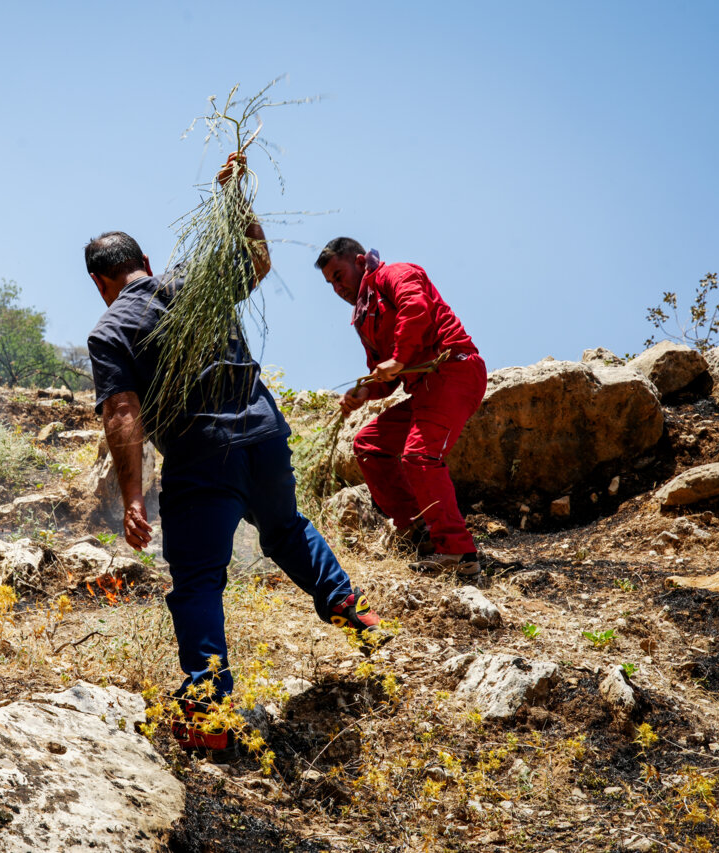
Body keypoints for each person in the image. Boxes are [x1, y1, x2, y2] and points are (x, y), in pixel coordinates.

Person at [85, 156, 378, 750]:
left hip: (202, 457)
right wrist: (237, 200)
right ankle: (351, 608)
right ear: (145, 264)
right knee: (285, 529)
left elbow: (122, 413)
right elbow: (258, 260)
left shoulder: (110, 329)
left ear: (101, 282)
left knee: (196, 581)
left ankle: (207, 715)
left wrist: (133, 497)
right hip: (265, 434)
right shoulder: (193, 281)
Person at [315, 237, 487, 576]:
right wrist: (359, 395)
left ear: (361, 262)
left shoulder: (396, 274)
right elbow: (387, 377)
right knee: (369, 445)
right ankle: (419, 532)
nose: (337, 287)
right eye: (330, 283)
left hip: (453, 370)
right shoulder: (364, 318)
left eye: (339, 275)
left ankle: (459, 554)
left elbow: (416, 308)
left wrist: (397, 358)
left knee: (419, 456)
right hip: (424, 389)